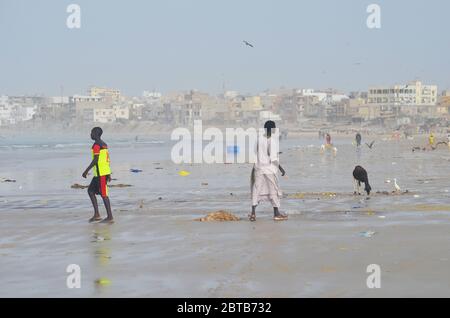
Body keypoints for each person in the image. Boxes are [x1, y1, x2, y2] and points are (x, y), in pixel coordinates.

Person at [250, 121, 288, 222]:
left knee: (256, 189)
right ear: (272, 129)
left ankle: (253, 213)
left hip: (258, 168)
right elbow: (273, 158)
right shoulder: (272, 140)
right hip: (269, 169)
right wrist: (281, 169)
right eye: (274, 128)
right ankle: (276, 213)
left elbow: (255, 152)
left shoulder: (259, 138)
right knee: (273, 190)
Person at [82, 127, 114, 223]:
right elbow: (106, 160)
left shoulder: (96, 145)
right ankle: (97, 215)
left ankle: (110, 217)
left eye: (91, 133)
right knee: (91, 191)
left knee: (104, 195)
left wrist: (86, 171)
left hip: (102, 174)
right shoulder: (104, 144)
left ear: (96, 134)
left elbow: (96, 160)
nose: (90, 134)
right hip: (100, 173)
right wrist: (109, 173)